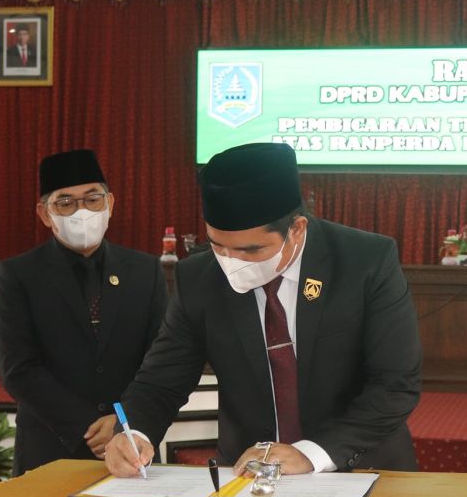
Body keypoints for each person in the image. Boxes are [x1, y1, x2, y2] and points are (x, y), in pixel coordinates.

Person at [105, 142, 422, 478]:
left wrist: (310, 453)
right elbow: (161, 381)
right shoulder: (199, 278)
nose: (231, 262)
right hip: (247, 475)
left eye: (251, 250)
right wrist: (134, 434)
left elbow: (395, 384)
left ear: (297, 229)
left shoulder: (365, 262)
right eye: (218, 246)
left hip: (359, 467)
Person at [0, 149, 167, 476]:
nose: (81, 212)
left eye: (92, 200)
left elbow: (159, 357)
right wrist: (88, 426)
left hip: (131, 445)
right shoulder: (19, 275)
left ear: (110, 203)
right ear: (44, 213)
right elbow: (18, 369)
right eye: (65, 203)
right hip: (50, 447)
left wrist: (124, 419)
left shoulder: (145, 271)